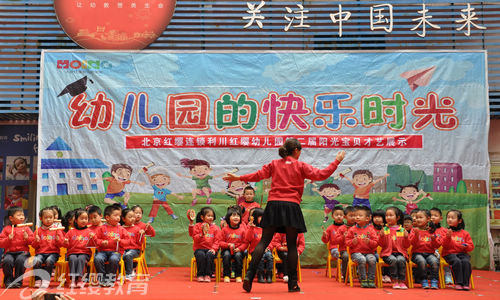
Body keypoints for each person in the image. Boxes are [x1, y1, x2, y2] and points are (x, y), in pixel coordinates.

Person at [223, 138, 345, 292]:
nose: (300, 154)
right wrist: (337, 161)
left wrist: (239, 178)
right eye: (300, 152)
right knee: (292, 245)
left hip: (273, 205)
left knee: (264, 241)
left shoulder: (274, 164)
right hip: (292, 206)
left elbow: (257, 175)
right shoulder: (301, 165)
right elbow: (322, 174)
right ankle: (293, 283)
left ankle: (249, 275)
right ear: (296, 151)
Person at [94, 205, 130, 287]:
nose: (118, 218)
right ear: (107, 217)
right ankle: (102, 279)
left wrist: (120, 241)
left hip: (116, 252)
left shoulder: (121, 229)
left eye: (119, 216)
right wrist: (102, 242)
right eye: (115, 215)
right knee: (98, 258)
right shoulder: (101, 228)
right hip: (103, 251)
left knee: (113, 259)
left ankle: (110, 279)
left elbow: (128, 241)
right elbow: (96, 240)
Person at [345, 205, 378, 288]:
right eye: (356, 215)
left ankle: (371, 280)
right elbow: (347, 242)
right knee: (362, 259)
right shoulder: (352, 229)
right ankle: (362, 279)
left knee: (372, 259)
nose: (357, 217)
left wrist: (370, 242)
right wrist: (352, 242)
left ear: (367, 218)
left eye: (360, 215)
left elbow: (376, 243)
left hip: (369, 252)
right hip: (356, 253)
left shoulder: (371, 230)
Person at [0, 207, 34, 288]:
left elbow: (33, 242)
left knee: (20, 260)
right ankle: (8, 281)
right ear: (11, 218)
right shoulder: (6, 229)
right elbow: (1, 244)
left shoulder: (26, 228)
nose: (22, 217)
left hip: (23, 252)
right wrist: (8, 239)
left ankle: (18, 281)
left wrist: (27, 238)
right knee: (7, 261)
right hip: (9, 252)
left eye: (22, 215)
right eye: (19, 215)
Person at [441, 209, 474, 291]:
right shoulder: (445, 231)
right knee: (457, 261)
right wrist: (448, 237)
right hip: (449, 254)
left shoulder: (465, 233)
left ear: (459, 221)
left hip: (462, 253)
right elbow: (444, 245)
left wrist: (465, 246)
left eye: (452, 218)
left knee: (466, 262)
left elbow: (471, 246)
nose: (449, 219)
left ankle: (466, 284)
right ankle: (458, 283)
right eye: (448, 217)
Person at [32, 207, 64, 288]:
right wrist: (36, 241)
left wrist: (58, 240)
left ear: (54, 218)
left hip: (53, 253)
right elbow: (33, 245)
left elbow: (61, 245)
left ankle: (46, 280)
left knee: (49, 261)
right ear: (41, 218)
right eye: (46, 217)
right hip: (40, 253)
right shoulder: (38, 231)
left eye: (51, 217)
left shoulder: (57, 230)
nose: (48, 219)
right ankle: (38, 279)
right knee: (36, 260)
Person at [379, 206, 410, 289]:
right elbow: (382, 245)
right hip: (387, 254)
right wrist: (381, 236)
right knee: (393, 260)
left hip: (400, 253)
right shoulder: (384, 229)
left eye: (391, 215)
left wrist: (406, 238)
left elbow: (406, 246)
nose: (388, 217)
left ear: (397, 217)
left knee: (401, 260)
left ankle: (402, 281)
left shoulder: (402, 230)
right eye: (386, 215)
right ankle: (395, 281)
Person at [409, 209, 440, 289]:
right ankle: (424, 280)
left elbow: (437, 245)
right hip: (417, 253)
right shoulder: (414, 230)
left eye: (420, 217)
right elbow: (412, 243)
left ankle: (434, 281)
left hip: (430, 253)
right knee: (422, 261)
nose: (417, 219)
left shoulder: (432, 231)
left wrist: (434, 239)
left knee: (435, 261)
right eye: (416, 217)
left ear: (428, 219)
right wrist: (416, 235)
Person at [188, 206, 221, 282]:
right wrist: (201, 234)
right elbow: (194, 238)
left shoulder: (216, 228)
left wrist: (214, 249)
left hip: (211, 249)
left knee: (209, 255)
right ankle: (200, 275)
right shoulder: (197, 226)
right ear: (202, 217)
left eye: (212, 216)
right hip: (199, 249)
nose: (210, 218)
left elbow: (217, 240)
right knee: (201, 255)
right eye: (208, 216)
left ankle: (208, 275)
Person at [63, 208, 94, 288]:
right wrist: (66, 242)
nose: (84, 220)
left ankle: (80, 279)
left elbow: (95, 243)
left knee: (81, 258)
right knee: (73, 258)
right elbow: (65, 244)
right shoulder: (70, 232)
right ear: (76, 220)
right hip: (72, 253)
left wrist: (93, 237)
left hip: (85, 253)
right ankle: (73, 279)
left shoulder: (90, 231)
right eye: (81, 218)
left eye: (86, 218)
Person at [218, 206, 248, 283]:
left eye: (238, 216)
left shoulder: (242, 230)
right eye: (233, 215)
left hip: (238, 250)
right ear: (228, 218)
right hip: (227, 250)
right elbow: (220, 242)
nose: (236, 217)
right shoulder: (224, 229)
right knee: (226, 255)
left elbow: (245, 243)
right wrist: (228, 245)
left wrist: (240, 249)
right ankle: (226, 275)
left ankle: (238, 275)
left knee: (238, 256)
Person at [245, 208, 273, 283]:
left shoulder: (267, 228)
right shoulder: (251, 227)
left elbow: (271, 240)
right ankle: (260, 275)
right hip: (255, 250)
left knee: (269, 256)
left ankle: (269, 275)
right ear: (255, 218)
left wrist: (268, 247)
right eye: (260, 217)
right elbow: (248, 239)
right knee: (260, 257)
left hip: (266, 249)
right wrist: (251, 228)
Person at [332, 205, 355, 281]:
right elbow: (335, 241)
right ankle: (345, 275)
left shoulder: (358, 227)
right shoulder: (341, 228)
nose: (353, 218)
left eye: (355, 216)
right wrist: (343, 237)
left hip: (356, 250)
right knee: (345, 256)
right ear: (345, 217)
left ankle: (362, 276)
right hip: (344, 250)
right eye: (351, 216)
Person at [430, 207, 453, 285]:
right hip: (429, 252)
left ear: (441, 218)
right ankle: (433, 277)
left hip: (442, 252)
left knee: (447, 257)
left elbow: (447, 243)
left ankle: (447, 275)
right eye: (431, 215)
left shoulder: (445, 230)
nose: (432, 217)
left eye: (435, 215)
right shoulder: (426, 230)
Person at [121, 208, 144, 281]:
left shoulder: (137, 229)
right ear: (123, 219)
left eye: (133, 217)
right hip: (123, 249)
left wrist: (141, 235)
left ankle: (129, 274)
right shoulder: (120, 229)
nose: (133, 219)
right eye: (130, 217)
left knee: (128, 255)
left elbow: (140, 243)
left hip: (134, 250)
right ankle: (121, 273)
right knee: (118, 254)